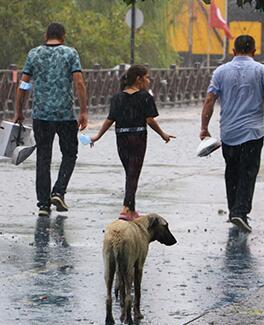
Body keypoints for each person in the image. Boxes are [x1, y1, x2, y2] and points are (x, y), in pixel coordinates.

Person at [200, 35, 264, 232]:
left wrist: (204, 128)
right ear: (254, 51)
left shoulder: (221, 72)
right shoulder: (261, 70)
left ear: (233, 51)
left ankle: (234, 212)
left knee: (232, 172)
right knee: (248, 172)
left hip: (228, 132)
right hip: (252, 133)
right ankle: (240, 212)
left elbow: (209, 100)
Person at [14, 23, 88, 217]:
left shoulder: (34, 54)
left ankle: (43, 205)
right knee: (69, 154)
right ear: (63, 36)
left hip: (41, 115)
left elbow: (24, 83)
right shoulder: (70, 53)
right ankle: (58, 191)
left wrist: (19, 110)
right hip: (65, 115)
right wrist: (84, 111)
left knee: (43, 158)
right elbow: (79, 82)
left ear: (46, 35)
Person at [91, 65, 174, 221]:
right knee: (133, 174)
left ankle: (132, 209)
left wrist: (98, 136)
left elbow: (110, 120)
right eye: (147, 77)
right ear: (139, 79)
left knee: (130, 173)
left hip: (121, 138)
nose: (149, 81)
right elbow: (150, 120)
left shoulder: (117, 98)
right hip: (138, 137)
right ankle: (126, 208)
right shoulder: (145, 97)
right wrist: (163, 134)